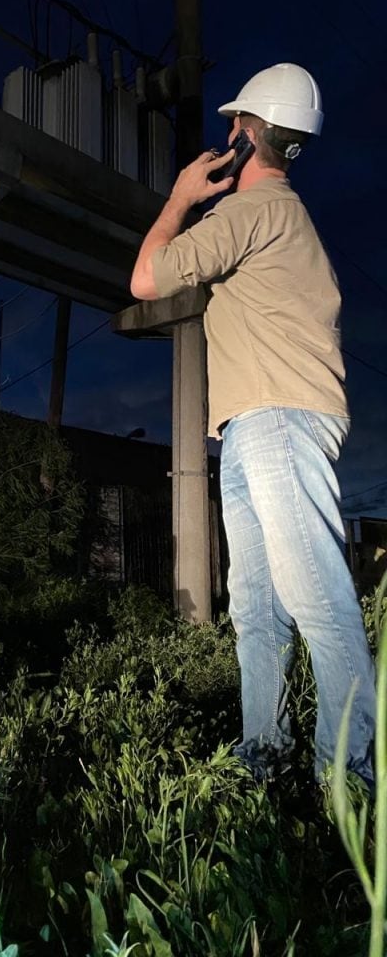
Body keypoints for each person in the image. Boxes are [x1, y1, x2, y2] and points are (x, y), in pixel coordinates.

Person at [129, 62, 376, 787]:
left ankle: (353, 777)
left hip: (276, 421)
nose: (222, 135)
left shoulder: (250, 213)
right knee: (258, 609)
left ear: (247, 135)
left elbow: (146, 278)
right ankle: (263, 753)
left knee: (315, 601)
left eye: (231, 126)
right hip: (254, 426)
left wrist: (179, 197)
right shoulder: (286, 220)